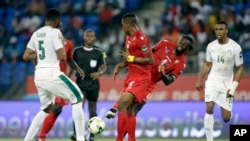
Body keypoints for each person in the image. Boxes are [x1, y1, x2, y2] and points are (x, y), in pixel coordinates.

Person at [106, 35, 194, 140]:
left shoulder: (181, 63)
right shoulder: (164, 43)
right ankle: (116, 111)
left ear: (188, 49)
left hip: (150, 83)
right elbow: (146, 55)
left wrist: (162, 73)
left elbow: (169, 81)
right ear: (178, 41)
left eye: (186, 45)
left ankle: (116, 113)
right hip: (141, 74)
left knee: (135, 109)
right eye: (182, 42)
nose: (182, 44)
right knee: (129, 106)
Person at [22, 8, 86, 141]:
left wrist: (40, 53)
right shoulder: (56, 32)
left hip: (38, 75)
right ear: (57, 21)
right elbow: (62, 56)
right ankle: (81, 138)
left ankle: (27, 139)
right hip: (52, 72)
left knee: (47, 108)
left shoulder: (36, 33)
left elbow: (26, 56)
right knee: (78, 98)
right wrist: (60, 42)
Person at [36, 22, 85, 141]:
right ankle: (41, 136)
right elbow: (34, 56)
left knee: (56, 110)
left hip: (60, 79)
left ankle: (40, 136)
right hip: (50, 77)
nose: (59, 29)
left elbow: (69, 60)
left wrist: (78, 69)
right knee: (56, 107)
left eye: (60, 27)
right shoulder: (46, 42)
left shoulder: (68, 43)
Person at [195, 20, 244, 141]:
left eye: (221, 29)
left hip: (227, 83)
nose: (218, 31)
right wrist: (200, 79)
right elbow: (207, 64)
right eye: (216, 29)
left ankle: (225, 108)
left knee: (226, 118)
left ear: (226, 30)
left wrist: (233, 88)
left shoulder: (235, 47)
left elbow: (240, 69)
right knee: (209, 107)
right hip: (213, 80)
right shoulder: (211, 46)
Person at [112, 13, 154, 141]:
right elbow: (131, 59)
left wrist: (129, 58)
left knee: (122, 105)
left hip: (141, 78)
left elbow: (150, 60)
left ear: (128, 24)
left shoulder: (141, 38)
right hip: (131, 75)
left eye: (123, 25)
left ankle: (119, 139)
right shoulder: (128, 37)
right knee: (129, 110)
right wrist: (122, 64)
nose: (122, 28)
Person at [70, 29, 107, 141]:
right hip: (80, 84)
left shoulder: (99, 52)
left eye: (92, 36)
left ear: (95, 38)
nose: (90, 38)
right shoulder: (77, 51)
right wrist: (67, 77)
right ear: (84, 37)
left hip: (93, 84)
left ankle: (91, 135)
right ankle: (76, 134)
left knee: (92, 110)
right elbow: (71, 64)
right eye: (88, 36)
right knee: (79, 109)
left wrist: (99, 73)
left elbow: (104, 66)